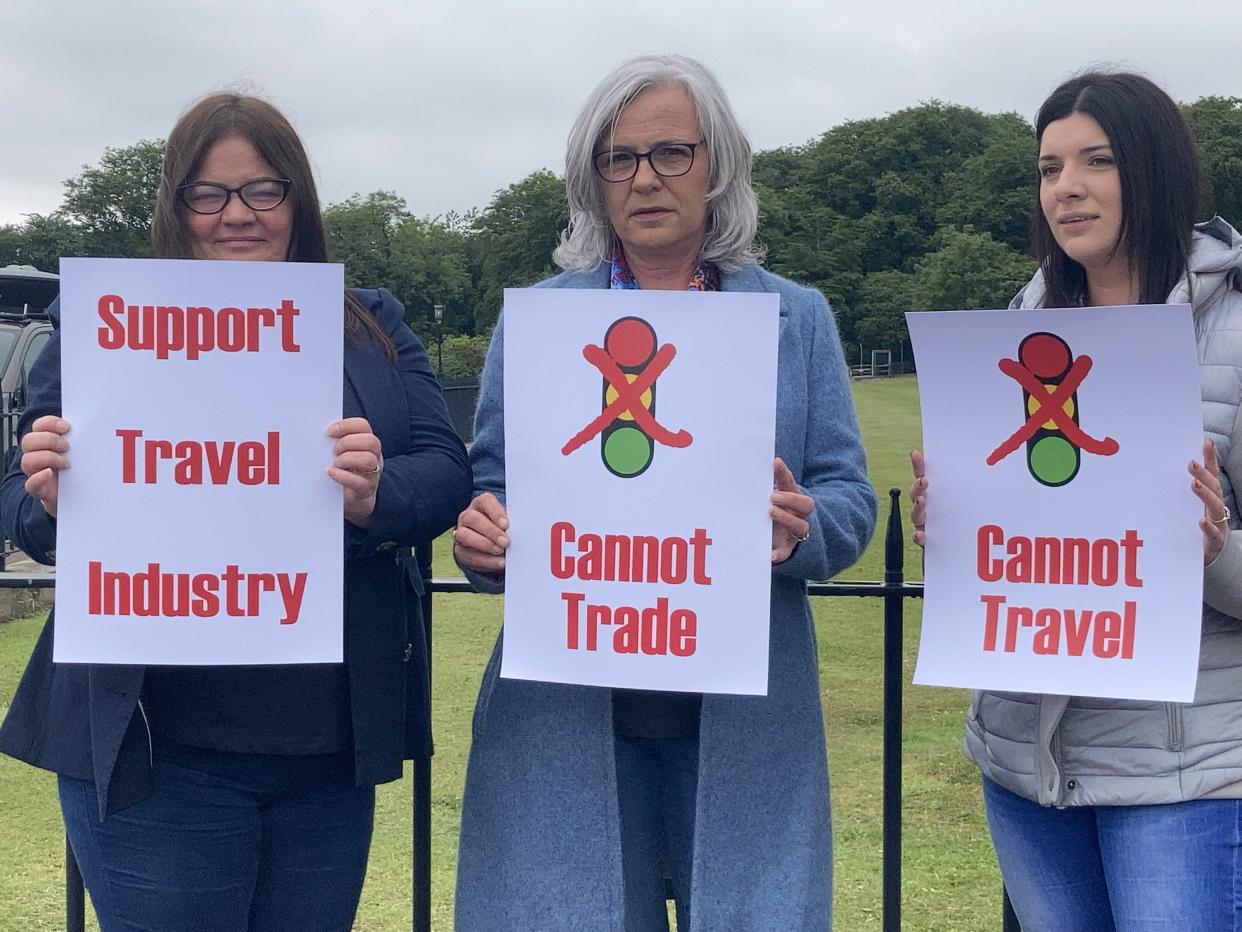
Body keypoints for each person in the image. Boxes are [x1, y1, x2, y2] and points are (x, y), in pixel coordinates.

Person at [0, 93, 472, 930]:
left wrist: (372, 495)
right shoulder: (109, 323)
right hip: (158, 750)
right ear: (176, 207)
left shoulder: (368, 323)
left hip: (326, 750)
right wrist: (49, 496)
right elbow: (23, 509)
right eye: (209, 194)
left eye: (264, 190)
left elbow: (443, 471)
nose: (237, 216)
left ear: (299, 202)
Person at [451, 54, 876, 931]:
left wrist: (805, 530)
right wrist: (481, 538)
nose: (645, 178)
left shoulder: (798, 317)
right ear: (594, 179)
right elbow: (491, 487)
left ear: (715, 165)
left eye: (671, 152)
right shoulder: (537, 319)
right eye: (620, 158)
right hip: (567, 720)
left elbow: (849, 498)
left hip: (744, 721)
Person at [910, 72, 1242, 931]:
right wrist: (947, 529)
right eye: (1049, 167)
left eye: (1097, 161)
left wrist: (1213, 546)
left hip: (1186, 776)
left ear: (1155, 169)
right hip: (1027, 765)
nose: (1068, 187)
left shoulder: (1236, 334)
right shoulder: (1016, 329)